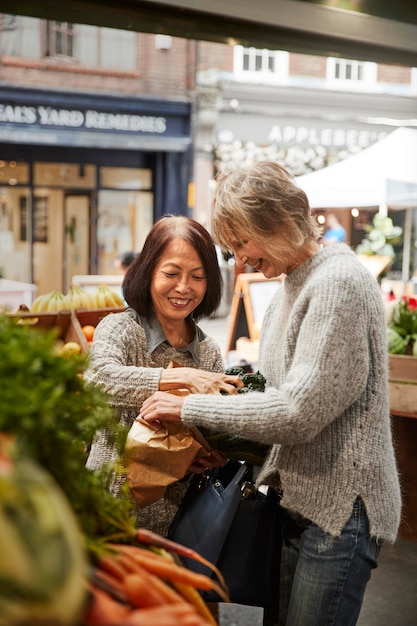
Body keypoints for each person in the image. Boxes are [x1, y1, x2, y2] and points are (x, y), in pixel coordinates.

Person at [140, 162, 402, 626]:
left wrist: (188, 405)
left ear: (277, 220)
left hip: (338, 513)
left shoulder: (337, 284)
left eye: (242, 243)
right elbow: (275, 400)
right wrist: (219, 449)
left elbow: (298, 412)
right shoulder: (288, 290)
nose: (240, 260)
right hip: (296, 504)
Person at [84, 214, 242, 538]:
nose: (183, 287)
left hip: (176, 526)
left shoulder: (208, 351)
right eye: (171, 273)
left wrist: (208, 454)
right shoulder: (119, 329)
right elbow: (99, 380)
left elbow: (209, 431)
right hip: (106, 517)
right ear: (147, 272)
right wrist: (184, 378)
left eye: (197, 276)